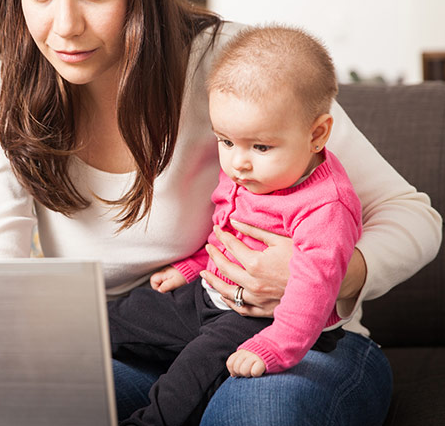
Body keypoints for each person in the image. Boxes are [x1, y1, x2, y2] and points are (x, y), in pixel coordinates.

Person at [0, 0, 443, 424]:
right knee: (32, 405)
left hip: (285, 343)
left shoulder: (231, 63)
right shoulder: (3, 90)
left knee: (260, 414)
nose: (64, 26)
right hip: (135, 346)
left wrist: (325, 273)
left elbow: (412, 216)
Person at [107, 24, 362, 425]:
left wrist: (275, 348)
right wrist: (193, 266)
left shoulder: (326, 207)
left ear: (317, 134)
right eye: (225, 141)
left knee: (188, 380)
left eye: (260, 147)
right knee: (112, 319)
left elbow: (314, 292)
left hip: (259, 322)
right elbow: (228, 231)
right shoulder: (251, 172)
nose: (238, 162)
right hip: (207, 293)